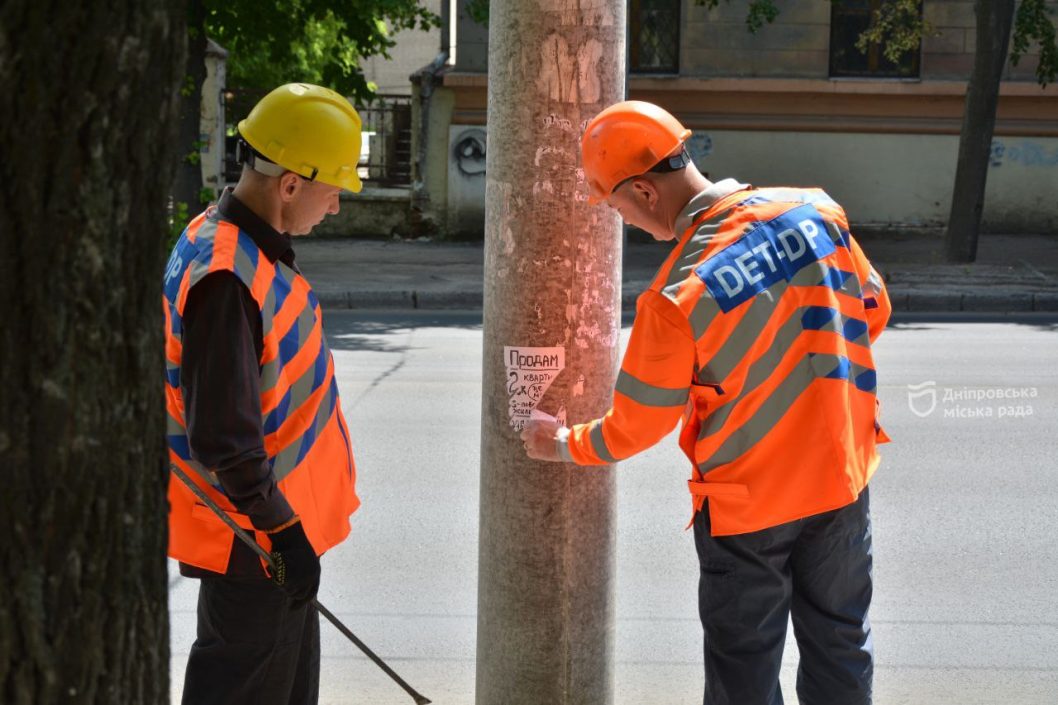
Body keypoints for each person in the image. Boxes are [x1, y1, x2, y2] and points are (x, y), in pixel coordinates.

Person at [522, 100, 891, 705]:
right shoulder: (816, 213)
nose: (623, 221)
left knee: (744, 672)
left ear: (644, 191)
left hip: (747, 507)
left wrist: (560, 442)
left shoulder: (677, 295)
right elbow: (873, 310)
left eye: (615, 207)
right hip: (842, 479)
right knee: (842, 646)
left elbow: (634, 428)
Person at [163, 83, 363, 705]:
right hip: (257, 540)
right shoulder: (227, 277)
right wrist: (284, 535)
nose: (336, 207)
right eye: (334, 190)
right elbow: (225, 438)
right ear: (291, 185)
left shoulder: (235, 244)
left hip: (269, 534)